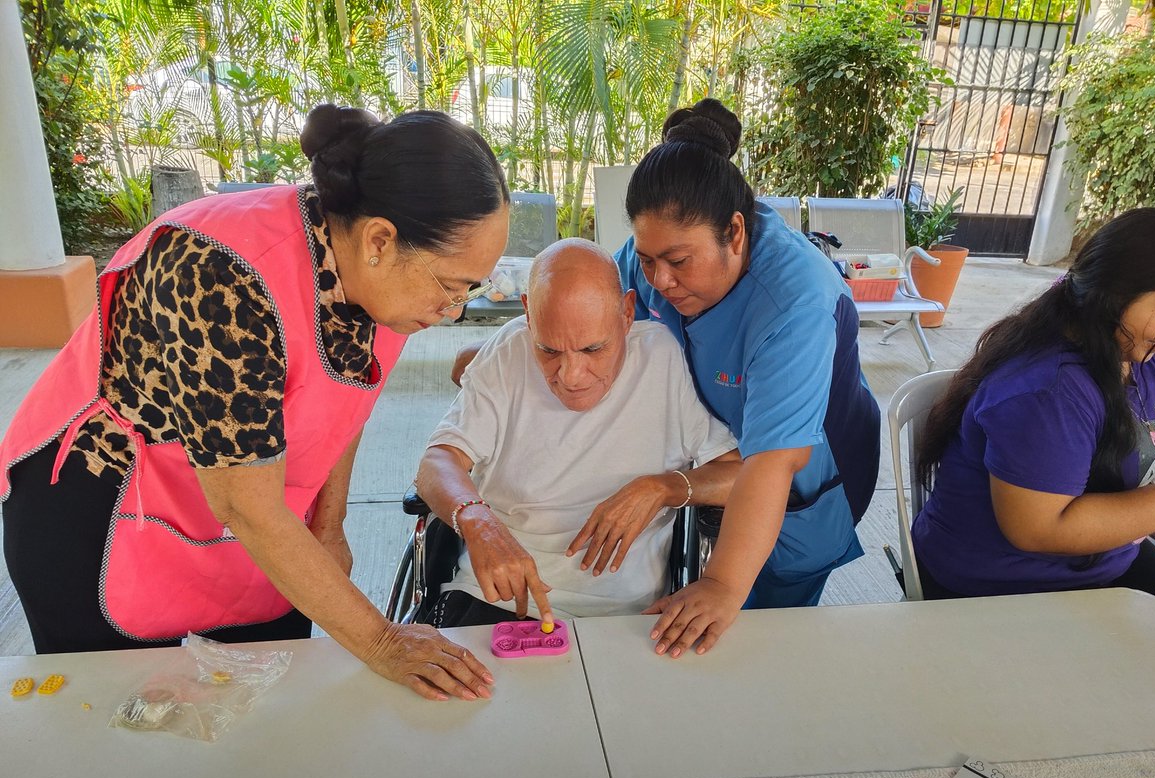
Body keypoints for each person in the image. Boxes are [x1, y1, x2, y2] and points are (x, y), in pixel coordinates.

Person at [0, 104, 505, 701]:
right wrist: (383, 641)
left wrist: (331, 522)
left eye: (471, 291)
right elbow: (247, 508)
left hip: (251, 510)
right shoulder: (223, 276)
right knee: (132, 725)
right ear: (379, 240)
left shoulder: (378, 276)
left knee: (270, 702)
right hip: (108, 506)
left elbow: (350, 399)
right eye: (451, 286)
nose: (455, 311)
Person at [615, 99, 881, 657]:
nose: (659, 280)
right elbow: (605, 314)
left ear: (735, 233)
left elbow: (775, 462)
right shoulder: (654, 251)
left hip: (809, 477)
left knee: (760, 632)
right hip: (717, 451)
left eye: (680, 262)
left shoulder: (793, 303)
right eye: (647, 258)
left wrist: (721, 585)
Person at [415, 239, 740, 628]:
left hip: (630, 616)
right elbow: (437, 462)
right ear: (529, 316)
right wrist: (477, 522)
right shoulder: (507, 350)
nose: (571, 377)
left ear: (626, 313)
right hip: (498, 602)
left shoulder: (662, 358)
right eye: (549, 351)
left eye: (593, 349)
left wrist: (664, 487)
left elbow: (741, 477)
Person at [912, 208, 1155, 599]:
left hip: (1097, 566)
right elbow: (1038, 529)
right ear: (1111, 295)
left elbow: (1148, 444)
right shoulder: (1049, 392)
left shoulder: (1138, 359)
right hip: (1003, 585)